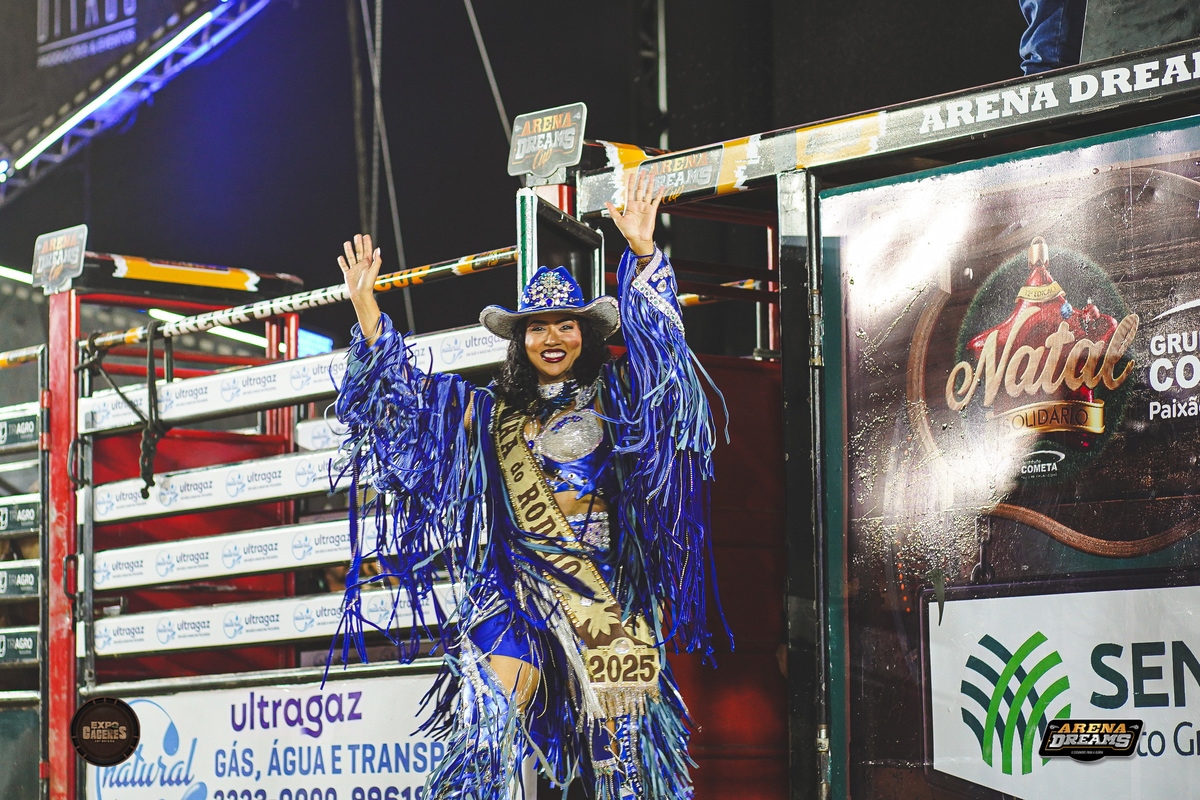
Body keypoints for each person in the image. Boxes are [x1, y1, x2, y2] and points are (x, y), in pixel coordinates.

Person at [334, 171, 723, 800]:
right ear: (520, 340)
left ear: (585, 334)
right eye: (537, 327)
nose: (552, 337)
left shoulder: (619, 398)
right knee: (483, 728)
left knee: (624, 767)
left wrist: (645, 252)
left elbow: (667, 368)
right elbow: (410, 403)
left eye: (566, 325)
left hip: (604, 595)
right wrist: (367, 311)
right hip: (515, 591)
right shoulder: (490, 413)